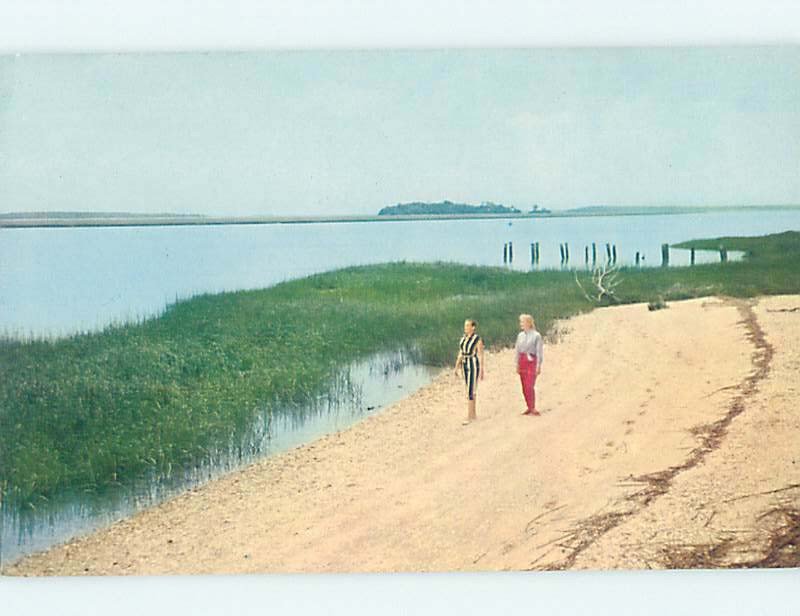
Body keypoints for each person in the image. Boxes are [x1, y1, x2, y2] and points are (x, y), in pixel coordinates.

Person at [454, 318, 485, 425]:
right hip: (464, 363)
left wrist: (481, 369)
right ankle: (473, 414)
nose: (465, 328)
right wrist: (456, 366)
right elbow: (461, 352)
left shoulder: (477, 339)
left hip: (472, 364)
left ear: (473, 327)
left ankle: (470, 415)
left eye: (468, 326)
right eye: (465, 325)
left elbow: (480, 354)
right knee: (469, 389)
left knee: (471, 390)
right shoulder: (463, 338)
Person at [515, 313, 543, 416]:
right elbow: (517, 350)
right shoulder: (520, 335)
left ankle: (533, 407)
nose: (521, 324)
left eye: (522, 322)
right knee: (523, 385)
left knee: (529, 385)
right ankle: (529, 406)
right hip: (523, 360)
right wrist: (517, 364)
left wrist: (539, 365)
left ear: (528, 323)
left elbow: (539, 352)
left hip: (532, 360)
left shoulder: (536, 336)